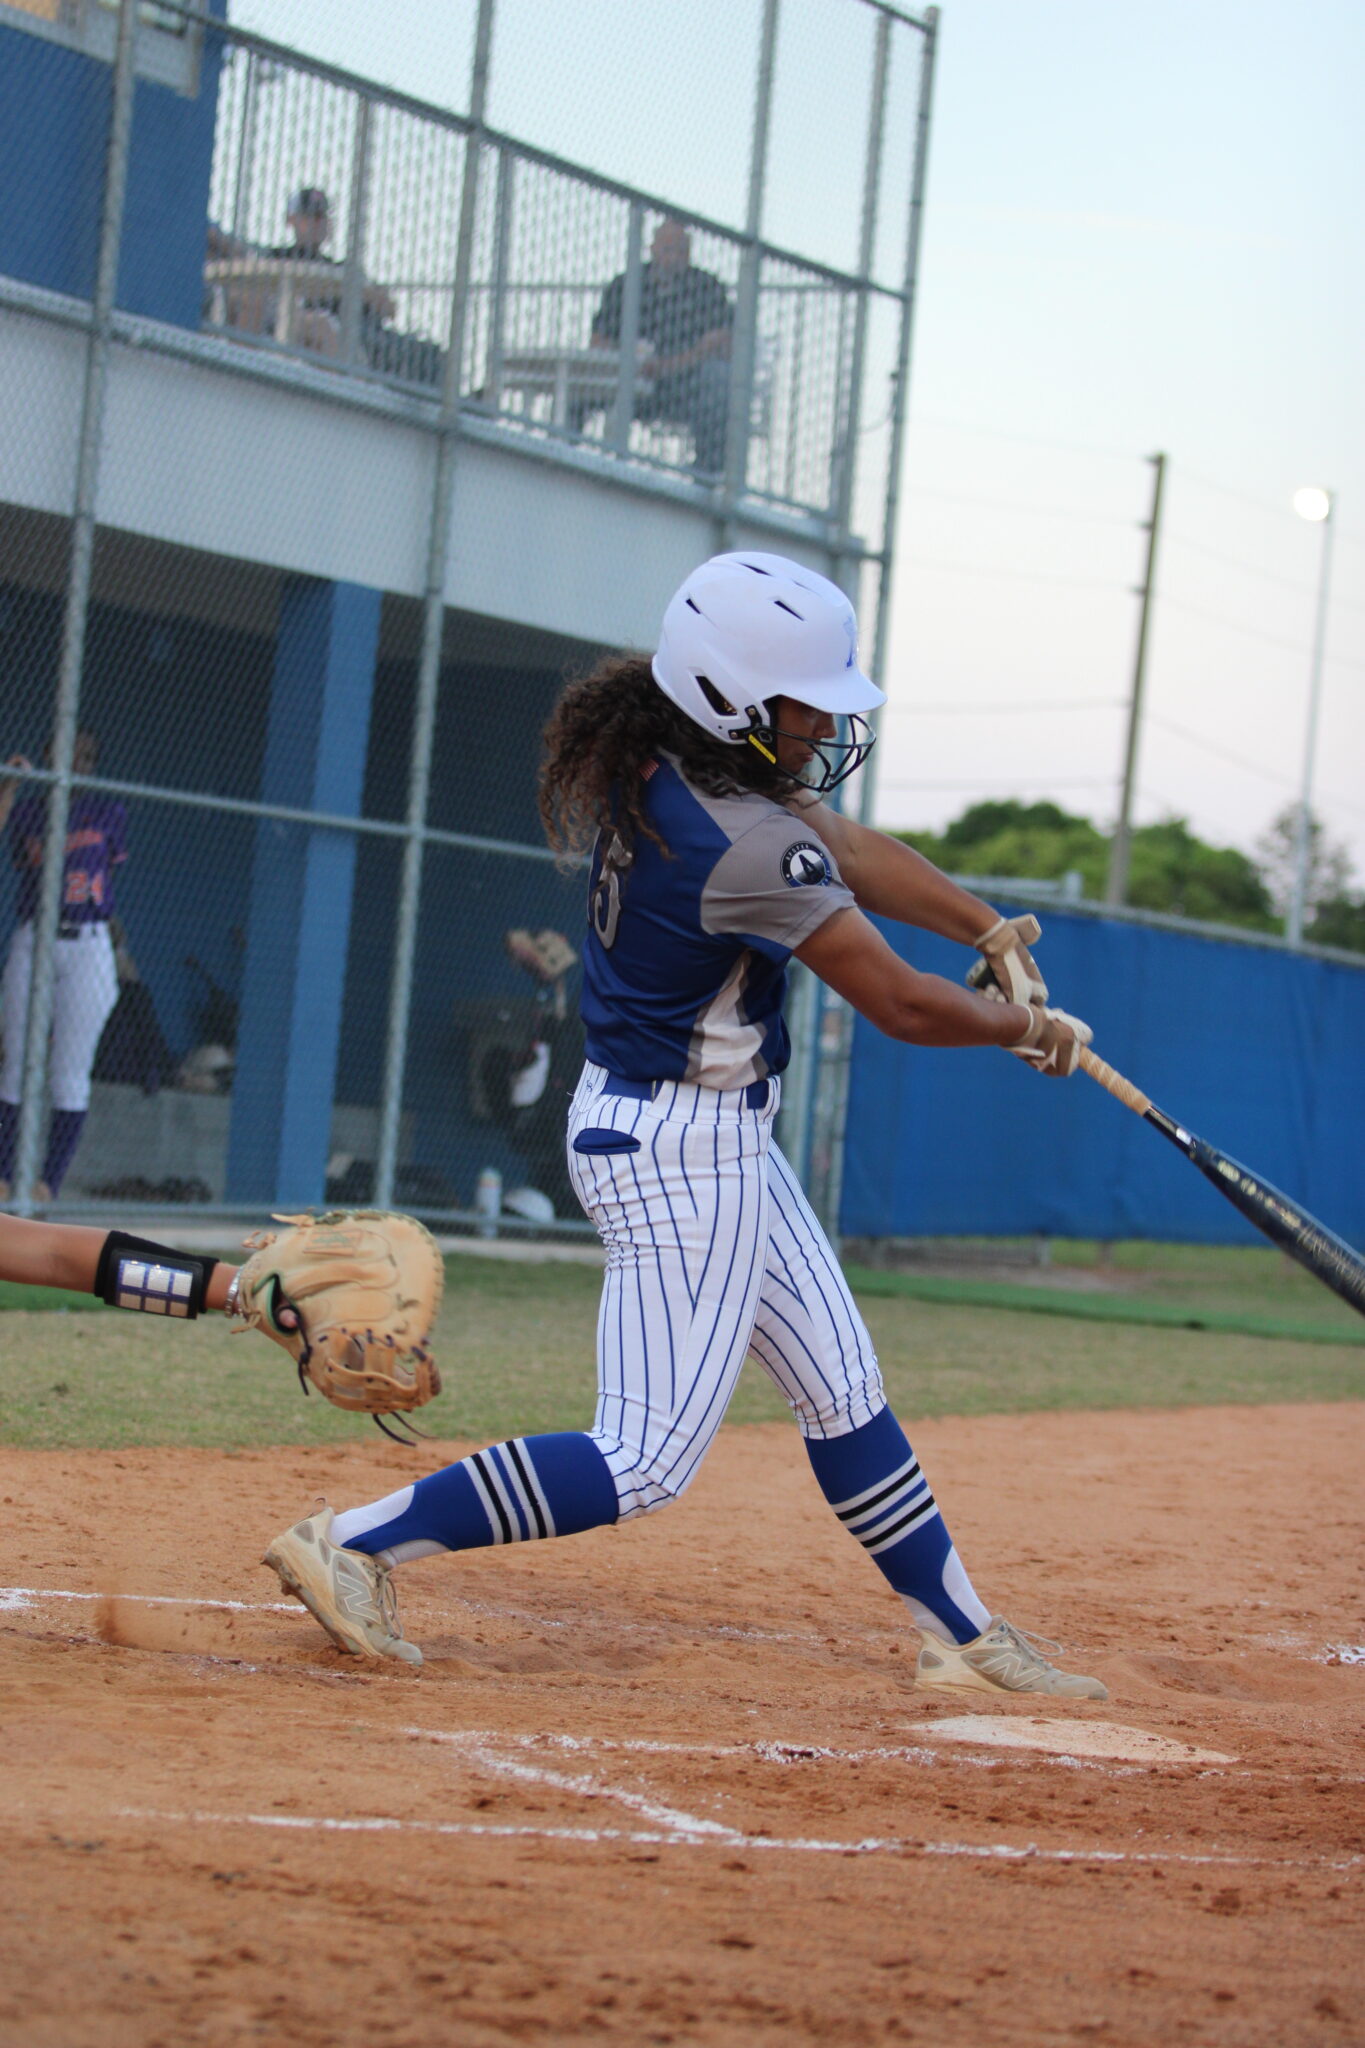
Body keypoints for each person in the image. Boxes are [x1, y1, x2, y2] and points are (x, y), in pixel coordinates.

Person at [262, 551, 1109, 1700]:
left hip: (704, 1132)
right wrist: (1023, 1032)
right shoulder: (746, 842)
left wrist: (986, 927)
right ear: (735, 701)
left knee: (842, 1386)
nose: (822, 727)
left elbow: (853, 851)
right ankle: (354, 1539)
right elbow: (902, 1000)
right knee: (644, 1456)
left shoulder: (684, 766)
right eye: (805, 705)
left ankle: (960, 1631)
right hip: (678, 1150)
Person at [0, 733, 125, 1202]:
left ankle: (47, 1184)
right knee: (16, 1063)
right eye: (69, 752)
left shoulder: (108, 810)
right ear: (51, 755)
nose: (78, 762)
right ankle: (5, 1178)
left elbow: (108, 878)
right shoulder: (31, 809)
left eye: (88, 756)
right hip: (35, 937)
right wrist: (9, 787)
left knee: (69, 1073)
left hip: (87, 943)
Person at [584, 217, 734, 477]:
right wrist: (628, 362)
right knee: (580, 382)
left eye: (681, 251)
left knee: (718, 376)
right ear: (652, 249)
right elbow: (598, 341)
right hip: (628, 382)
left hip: (684, 387)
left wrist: (670, 366)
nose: (674, 257)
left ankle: (707, 474)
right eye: (667, 249)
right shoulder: (626, 284)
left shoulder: (707, 288)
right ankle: (561, 447)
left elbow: (721, 346)